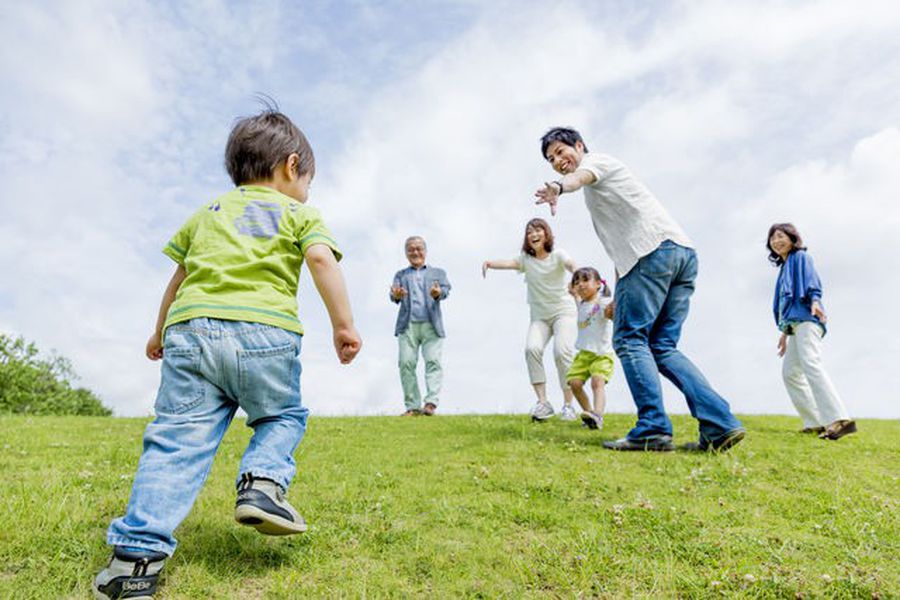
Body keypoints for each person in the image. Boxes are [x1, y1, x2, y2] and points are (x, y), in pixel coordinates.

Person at [93, 108, 361, 600]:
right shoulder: (300, 213)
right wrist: (343, 325)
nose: (308, 191)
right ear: (291, 165)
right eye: (308, 180)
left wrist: (158, 333)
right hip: (266, 333)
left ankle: (133, 562)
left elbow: (178, 278)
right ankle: (261, 485)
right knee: (281, 415)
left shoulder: (207, 213)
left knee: (175, 440)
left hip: (190, 331)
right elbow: (321, 259)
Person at [534, 127, 744, 452]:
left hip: (652, 255)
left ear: (579, 146)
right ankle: (720, 425)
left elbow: (579, 178)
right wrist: (619, 294)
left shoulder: (596, 164)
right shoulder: (600, 187)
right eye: (551, 160)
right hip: (678, 255)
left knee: (630, 340)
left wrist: (559, 187)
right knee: (662, 346)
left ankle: (653, 428)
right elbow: (622, 253)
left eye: (562, 152)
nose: (559, 161)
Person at [482, 218, 578, 422]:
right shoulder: (526, 260)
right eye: (529, 232)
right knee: (531, 349)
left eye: (538, 230)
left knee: (562, 353)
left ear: (546, 233)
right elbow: (509, 263)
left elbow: (572, 265)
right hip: (540, 317)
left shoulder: (558, 255)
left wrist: (578, 278)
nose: (533, 234)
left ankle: (569, 405)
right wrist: (489, 263)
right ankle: (543, 403)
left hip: (563, 312)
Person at [767, 223, 856, 440]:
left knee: (811, 363)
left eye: (781, 236)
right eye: (772, 238)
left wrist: (815, 301)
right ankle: (814, 422)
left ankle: (839, 419)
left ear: (792, 238)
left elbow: (812, 282)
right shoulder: (784, 267)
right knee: (790, 373)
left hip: (808, 318)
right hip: (794, 325)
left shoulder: (801, 258)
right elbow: (786, 305)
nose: (776, 241)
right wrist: (785, 333)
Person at [390, 236, 451, 416]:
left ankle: (431, 403)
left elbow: (446, 290)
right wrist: (398, 295)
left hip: (431, 325)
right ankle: (412, 406)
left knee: (433, 361)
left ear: (425, 251)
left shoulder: (438, 273)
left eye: (418, 248)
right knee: (406, 363)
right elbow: (393, 295)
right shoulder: (400, 275)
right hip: (407, 326)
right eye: (411, 249)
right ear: (406, 253)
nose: (415, 252)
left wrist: (438, 292)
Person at [567, 267, 615, 430]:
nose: (580, 284)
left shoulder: (602, 302)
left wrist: (612, 311)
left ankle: (598, 414)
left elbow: (611, 312)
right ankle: (589, 415)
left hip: (602, 353)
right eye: (577, 281)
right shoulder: (582, 304)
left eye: (585, 280)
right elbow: (577, 298)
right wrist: (573, 292)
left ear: (598, 284)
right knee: (574, 384)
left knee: (597, 381)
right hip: (583, 354)